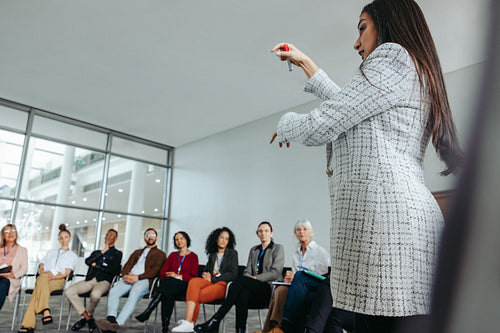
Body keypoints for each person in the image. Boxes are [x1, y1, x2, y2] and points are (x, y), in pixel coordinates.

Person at [269, 0, 463, 332]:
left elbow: (325, 123)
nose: (357, 42)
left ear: (388, 22)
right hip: (402, 229)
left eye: (362, 27)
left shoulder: (392, 58)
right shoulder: (413, 67)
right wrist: (307, 64)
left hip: (389, 231)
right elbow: (354, 112)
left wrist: (286, 123)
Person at [195, 221, 284, 333]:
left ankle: (215, 320)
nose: (263, 233)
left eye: (266, 231)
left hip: (267, 289)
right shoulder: (254, 250)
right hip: (252, 289)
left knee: (238, 280)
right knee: (242, 294)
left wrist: (254, 279)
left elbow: (275, 273)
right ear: (257, 234)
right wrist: (249, 279)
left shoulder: (277, 248)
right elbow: (247, 271)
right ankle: (240, 330)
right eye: (260, 231)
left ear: (272, 233)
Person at [260, 219, 330, 333]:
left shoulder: (320, 252)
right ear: (295, 233)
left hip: (316, 285)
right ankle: (273, 328)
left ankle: (287, 324)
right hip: (300, 286)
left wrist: (300, 275)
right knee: (280, 290)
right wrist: (290, 277)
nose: (301, 232)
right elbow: (295, 275)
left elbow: (323, 276)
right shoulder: (296, 254)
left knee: (300, 275)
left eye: (305, 229)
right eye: (298, 229)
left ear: (311, 232)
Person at [95, 228, 166, 333]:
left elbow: (155, 271)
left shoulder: (160, 254)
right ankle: (111, 318)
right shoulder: (137, 252)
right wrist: (125, 275)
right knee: (114, 291)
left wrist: (138, 277)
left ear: (156, 237)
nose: (150, 237)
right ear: (145, 237)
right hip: (129, 277)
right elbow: (126, 266)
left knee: (134, 294)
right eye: (148, 235)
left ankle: (117, 324)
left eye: (153, 235)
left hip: (145, 280)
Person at [172, 227, 238, 333]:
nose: (224, 240)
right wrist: (206, 274)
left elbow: (233, 274)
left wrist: (213, 278)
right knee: (193, 282)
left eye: (226, 239)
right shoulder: (212, 254)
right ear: (216, 239)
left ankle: (189, 323)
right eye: (221, 237)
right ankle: (189, 324)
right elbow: (207, 269)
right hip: (209, 281)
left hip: (222, 284)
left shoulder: (232, 253)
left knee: (195, 295)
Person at [18, 224, 78, 333]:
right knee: (42, 279)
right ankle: (45, 309)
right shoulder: (51, 252)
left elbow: (67, 273)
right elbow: (40, 268)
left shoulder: (72, 255)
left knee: (37, 291)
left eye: (65, 237)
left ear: (69, 238)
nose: (63, 239)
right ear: (58, 239)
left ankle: (28, 325)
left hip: (58, 279)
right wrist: (44, 273)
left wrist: (53, 277)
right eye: (61, 237)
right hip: (44, 276)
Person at [135, 231, 199, 333]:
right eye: (176, 239)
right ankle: (164, 327)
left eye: (181, 238)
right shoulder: (173, 255)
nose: (179, 241)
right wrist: (170, 275)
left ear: (186, 240)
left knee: (167, 284)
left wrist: (179, 276)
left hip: (184, 287)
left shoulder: (193, 257)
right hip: (169, 286)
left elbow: (193, 277)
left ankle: (149, 311)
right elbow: (162, 272)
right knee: (167, 292)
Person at [65, 229, 122, 332]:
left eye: (111, 235)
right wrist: (103, 251)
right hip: (90, 280)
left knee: (95, 295)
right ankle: (88, 318)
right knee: (69, 291)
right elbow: (88, 261)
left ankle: (86, 317)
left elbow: (113, 270)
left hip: (104, 282)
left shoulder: (117, 254)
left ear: (116, 238)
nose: (108, 237)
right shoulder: (97, 252)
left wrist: (97, 265)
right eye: (107, 235)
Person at [0, 224, 28, 311]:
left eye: (13, 231)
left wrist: (14, 275)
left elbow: (24, 268)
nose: (10, 233)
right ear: (3, 235)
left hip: (10, 279)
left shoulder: (22, 250)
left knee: (3, 284)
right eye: (7, 232)